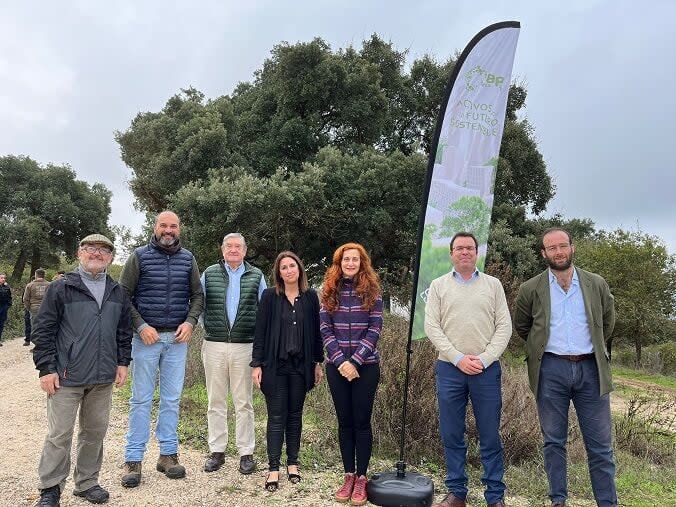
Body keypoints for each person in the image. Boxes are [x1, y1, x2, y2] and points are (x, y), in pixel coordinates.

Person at [514, 228, 617, 507]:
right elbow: (524, 327)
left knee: (600, 447)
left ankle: (607, 503)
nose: (558, 252)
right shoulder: (530, 288)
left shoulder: (595, 283)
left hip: (591, 370)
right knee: (554, 442)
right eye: (552, 248)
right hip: (551, 370)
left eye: (563, 246)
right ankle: (558, 500)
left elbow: (607, 322)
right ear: (543, 253)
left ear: (572, 247)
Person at [31, 234, 132, 507]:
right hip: (66, 376)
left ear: (110, 257)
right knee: (59, 434)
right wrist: (46, 369)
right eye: (90, 248)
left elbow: (124, 331)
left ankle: (87, 483)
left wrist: (123, 362)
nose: (96, 253)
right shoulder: (61, 287)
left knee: (95, 433)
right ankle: (50, 488)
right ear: (79, 253)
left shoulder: (117, 290)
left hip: (102, 377)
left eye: (103, 250)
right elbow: (44, 330)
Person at [424, 232, 512, 507]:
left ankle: (495, 496)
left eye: (469, 248)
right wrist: (458, 357)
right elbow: (432, 327)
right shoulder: (438, 286)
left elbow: (504, 326)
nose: (464, 252)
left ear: (477, 253)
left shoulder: (493, 285)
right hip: (450, 369)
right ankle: (456, 493)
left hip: (486, 371)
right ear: (451, 254)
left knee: (489, 435)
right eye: (459, 248)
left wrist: (484, 359)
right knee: (452, 433)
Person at [119, 211, 204, 488]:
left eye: (173, 226)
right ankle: (133, 459)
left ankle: (168, 455)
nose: (168, 230)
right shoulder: (139, 256)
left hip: (176, 342)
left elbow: (197, 295)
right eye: (163, 225)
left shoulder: (188, 258)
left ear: (179, 229)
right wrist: (140, 325)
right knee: (141, 400)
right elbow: (123, 295)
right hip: (146, 341)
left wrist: (191, 322)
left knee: (171, 399)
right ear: (155, 227)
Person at [250, 251, 324, 491]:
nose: (289, 270)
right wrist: (256, 364)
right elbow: (260, 332)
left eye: (293, 266)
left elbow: (316, 333)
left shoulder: (311, 297)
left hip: (301, 367)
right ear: (278, 273)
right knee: (276, 417)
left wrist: (317, 362)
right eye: (284, 267)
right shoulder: (270, 296)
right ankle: (273, 467)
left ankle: (293, 463)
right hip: (275, 366)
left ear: (300, 269)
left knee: (295, 416)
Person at [320, 242, 383, 507]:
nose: (350, 263)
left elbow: (375, 329)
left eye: (355, 259)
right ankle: (348, 475)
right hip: (336, 368)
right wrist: (340, 362)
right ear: (339, 262)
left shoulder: (373, 291)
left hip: (366, 367)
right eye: (346, 259)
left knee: (361, 422)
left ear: (362, 262)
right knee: (344, 422)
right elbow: (324, 329)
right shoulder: (328, 292)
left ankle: (362, 477)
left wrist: (355, 361)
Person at [201, 233, 266, 475]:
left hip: (244, 346)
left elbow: (265, 310)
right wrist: (206, 327)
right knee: (215, 401)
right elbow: (199, 303)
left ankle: (245, 453)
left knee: (244, 402)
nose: (233, 250)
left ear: (245, 251)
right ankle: (217, 451)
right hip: (214, 344)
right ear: (222, 249)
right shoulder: (209, 273)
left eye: (238, 246)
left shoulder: (256, 275)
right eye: (229, 246)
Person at [23, 268, 50, 344]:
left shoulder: (30, 285)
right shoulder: (49, 284)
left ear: (35, 275)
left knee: (34, 326)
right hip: (46, 309)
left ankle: (36, 345)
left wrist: (29, 308)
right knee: (45, 326)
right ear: (44, 275)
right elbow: (53, 297)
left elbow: (25, 299)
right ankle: (45, 344)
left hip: (34, 308)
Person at [0, 272, 11, 346]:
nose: (3, 279)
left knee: (1, 324)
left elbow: (10, 297)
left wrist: (8, 305)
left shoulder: (7, 287)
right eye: (1, 278)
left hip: (4, 307)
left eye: (4, 278)